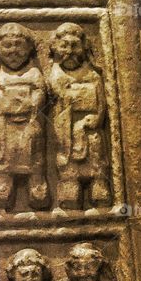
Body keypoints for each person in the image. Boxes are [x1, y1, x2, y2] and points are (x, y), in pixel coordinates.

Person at [48, 25, 110, 208]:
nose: (69, 52)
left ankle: (99, 185)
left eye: (74, 46)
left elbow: (101, 102)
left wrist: (98, 118)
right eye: (64, 46)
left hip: (90, 128)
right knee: (67, 159)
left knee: (96, 154)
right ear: (55, 48)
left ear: (83, 48)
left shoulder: (92, 75)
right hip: (66, 129)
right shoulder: (55, 76)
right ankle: (69, 187)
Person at [0, 26, 47, 209]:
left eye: (19, 46)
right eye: (7, 46)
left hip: (29, 122)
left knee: (34, 154)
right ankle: (3, 183)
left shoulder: (34, 73)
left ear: (30, 49)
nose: (13, 52)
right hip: (5, 124)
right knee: (3, 155)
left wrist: (34, 101)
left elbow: (40, 92)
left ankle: (37, 184)